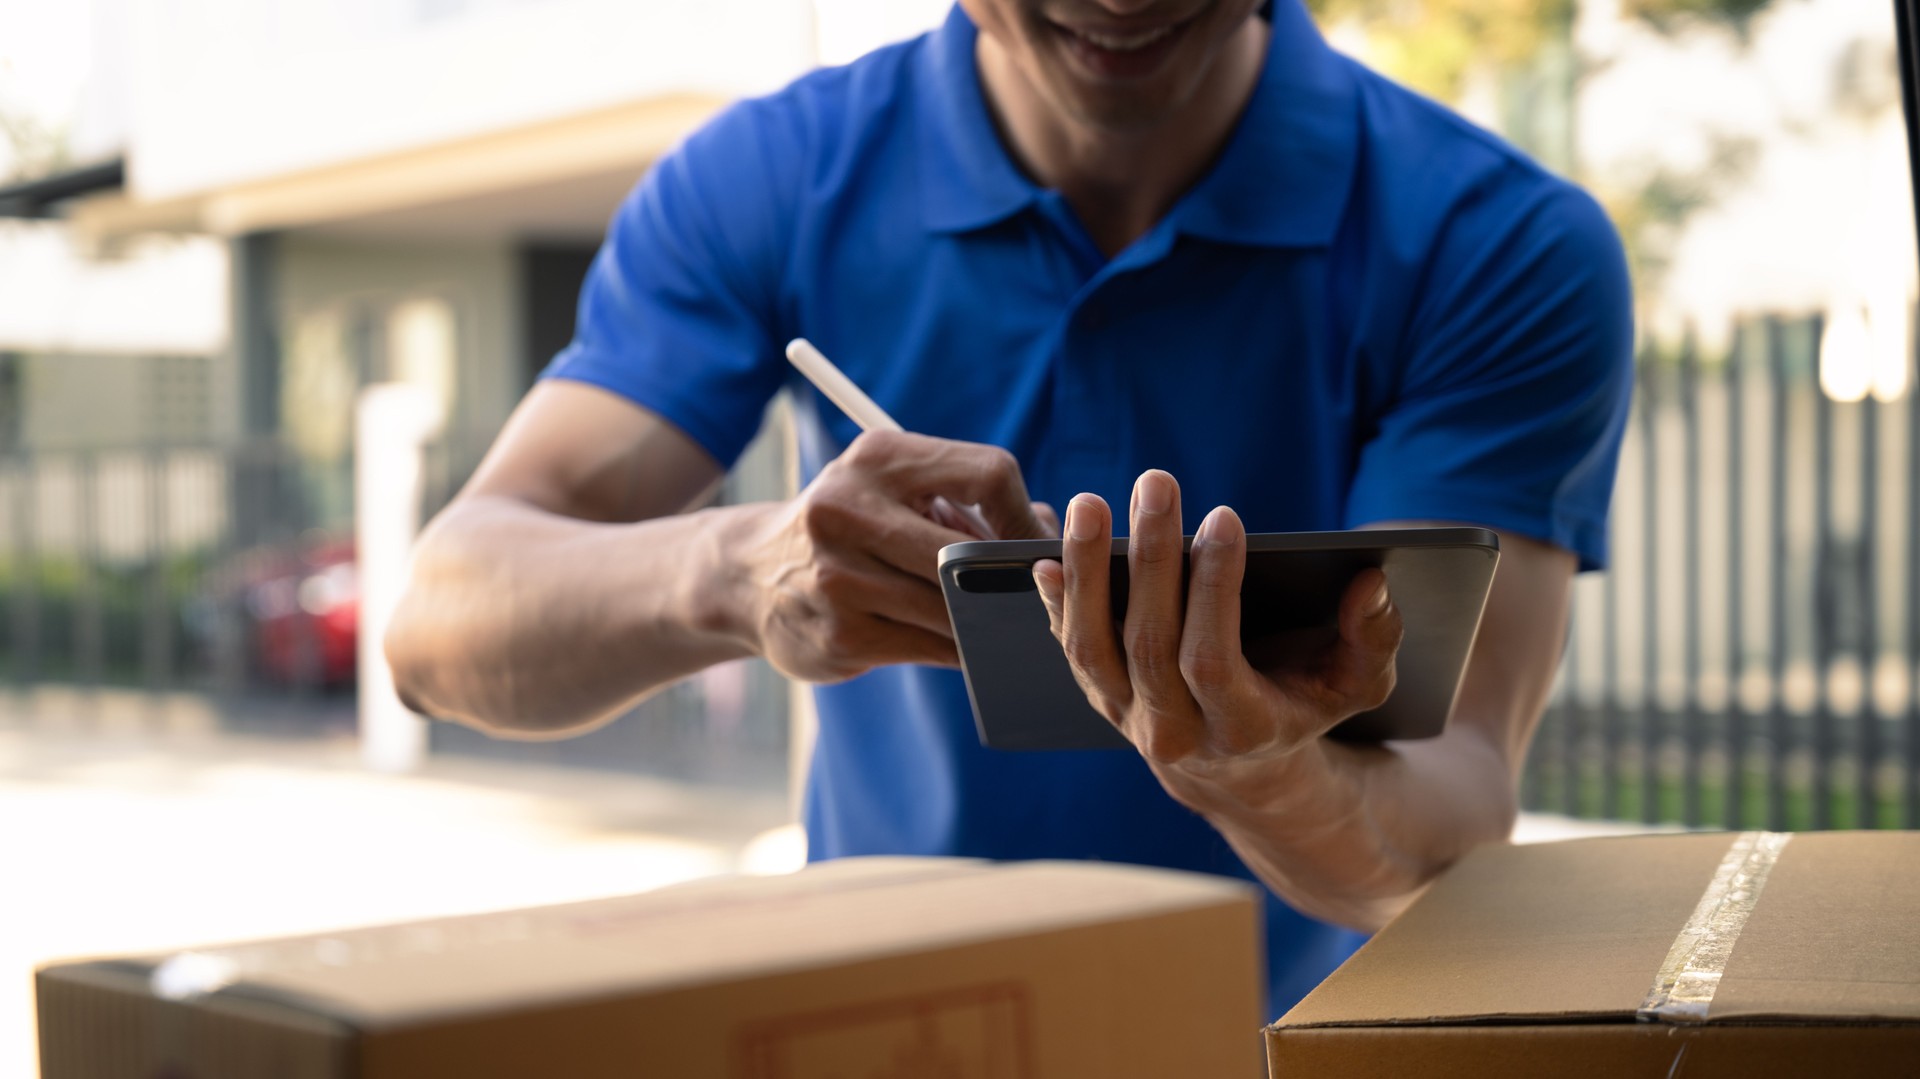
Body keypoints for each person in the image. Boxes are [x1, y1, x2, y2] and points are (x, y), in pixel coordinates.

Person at [386, 0, 1633, 1011]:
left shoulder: (1497, 244)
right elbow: (437, 631)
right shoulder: (774, 177)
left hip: (1285, 1048)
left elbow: (1449, 825)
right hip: (884, 1031)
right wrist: (740, 569)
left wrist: (1261, 774)